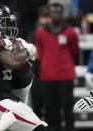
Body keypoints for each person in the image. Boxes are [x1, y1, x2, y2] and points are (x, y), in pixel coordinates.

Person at [0, 3, 53, 131]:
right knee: (39, 128)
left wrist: (24, 57)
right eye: (4, 22)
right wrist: (27, 50)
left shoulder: (6, 40)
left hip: (5, 96)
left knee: (39, 123)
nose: (9, 26)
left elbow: (22, 73)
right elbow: (11, 62)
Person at [35, 3, 79, 131]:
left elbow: (74, 52)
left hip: (66, 76)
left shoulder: (71, 32)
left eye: (58, 12)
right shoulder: (41, 33)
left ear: (62, 14)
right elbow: (40, 53)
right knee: (50, 110)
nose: (55, 15)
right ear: (50, 14)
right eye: (53, 12)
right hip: (47, 77)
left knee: (67, 108)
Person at [28, 5, 51, 118]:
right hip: (37, 76)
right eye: (43, 17)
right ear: (39, 18)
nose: (46, 20)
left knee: (52, 111)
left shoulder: (55, 34)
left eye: (48, 17)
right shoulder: (33, 34)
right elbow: (34, 55)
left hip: (52, 77)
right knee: (37, 111)